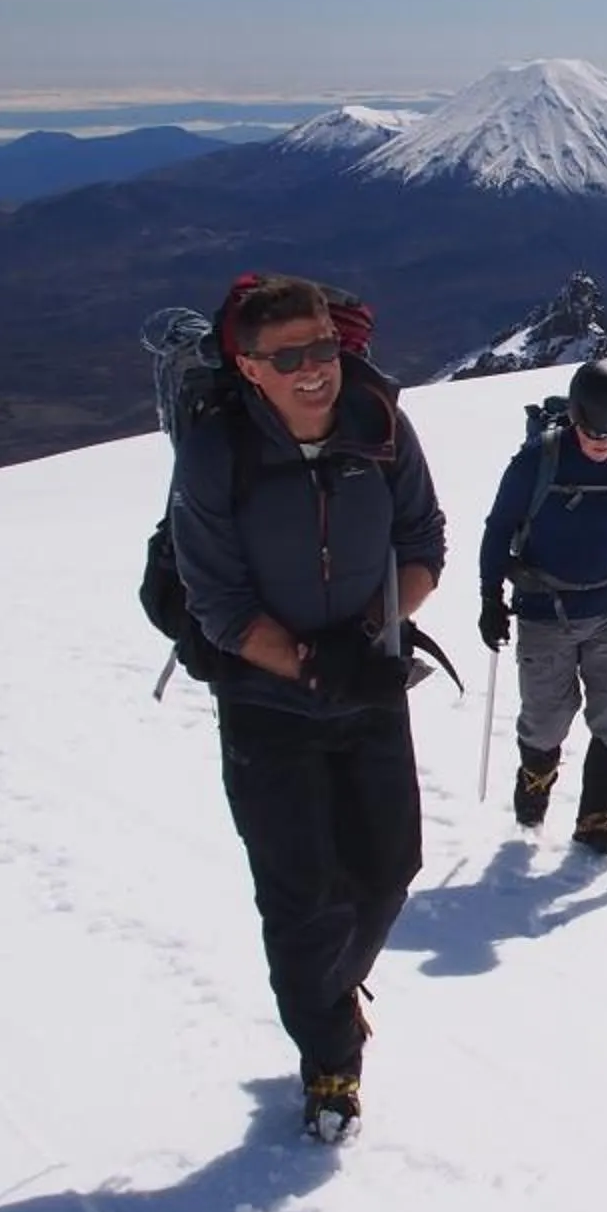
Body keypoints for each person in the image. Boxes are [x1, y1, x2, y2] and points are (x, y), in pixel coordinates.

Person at [168, 273, 447, 1142]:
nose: (314, 369)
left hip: (368, 687)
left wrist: (371, 631)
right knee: (299, 898)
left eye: (322, 346)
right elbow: (215, 600)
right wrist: (303, 666)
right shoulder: (217, 454)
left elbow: (423, 543)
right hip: (264, 708)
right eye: (288, 357)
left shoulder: (381, 424)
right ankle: (331, 1059)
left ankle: (332, 991)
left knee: (390, 867)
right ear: (249, 368)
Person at [477, 357, 607, 855]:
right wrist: (490, 597)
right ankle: (535, 777)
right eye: (594, 436)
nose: (602, 446)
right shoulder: (537, 461)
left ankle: (598, 816)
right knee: (546, 719)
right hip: (543, 611)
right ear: (574, 417)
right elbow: (498, 529)